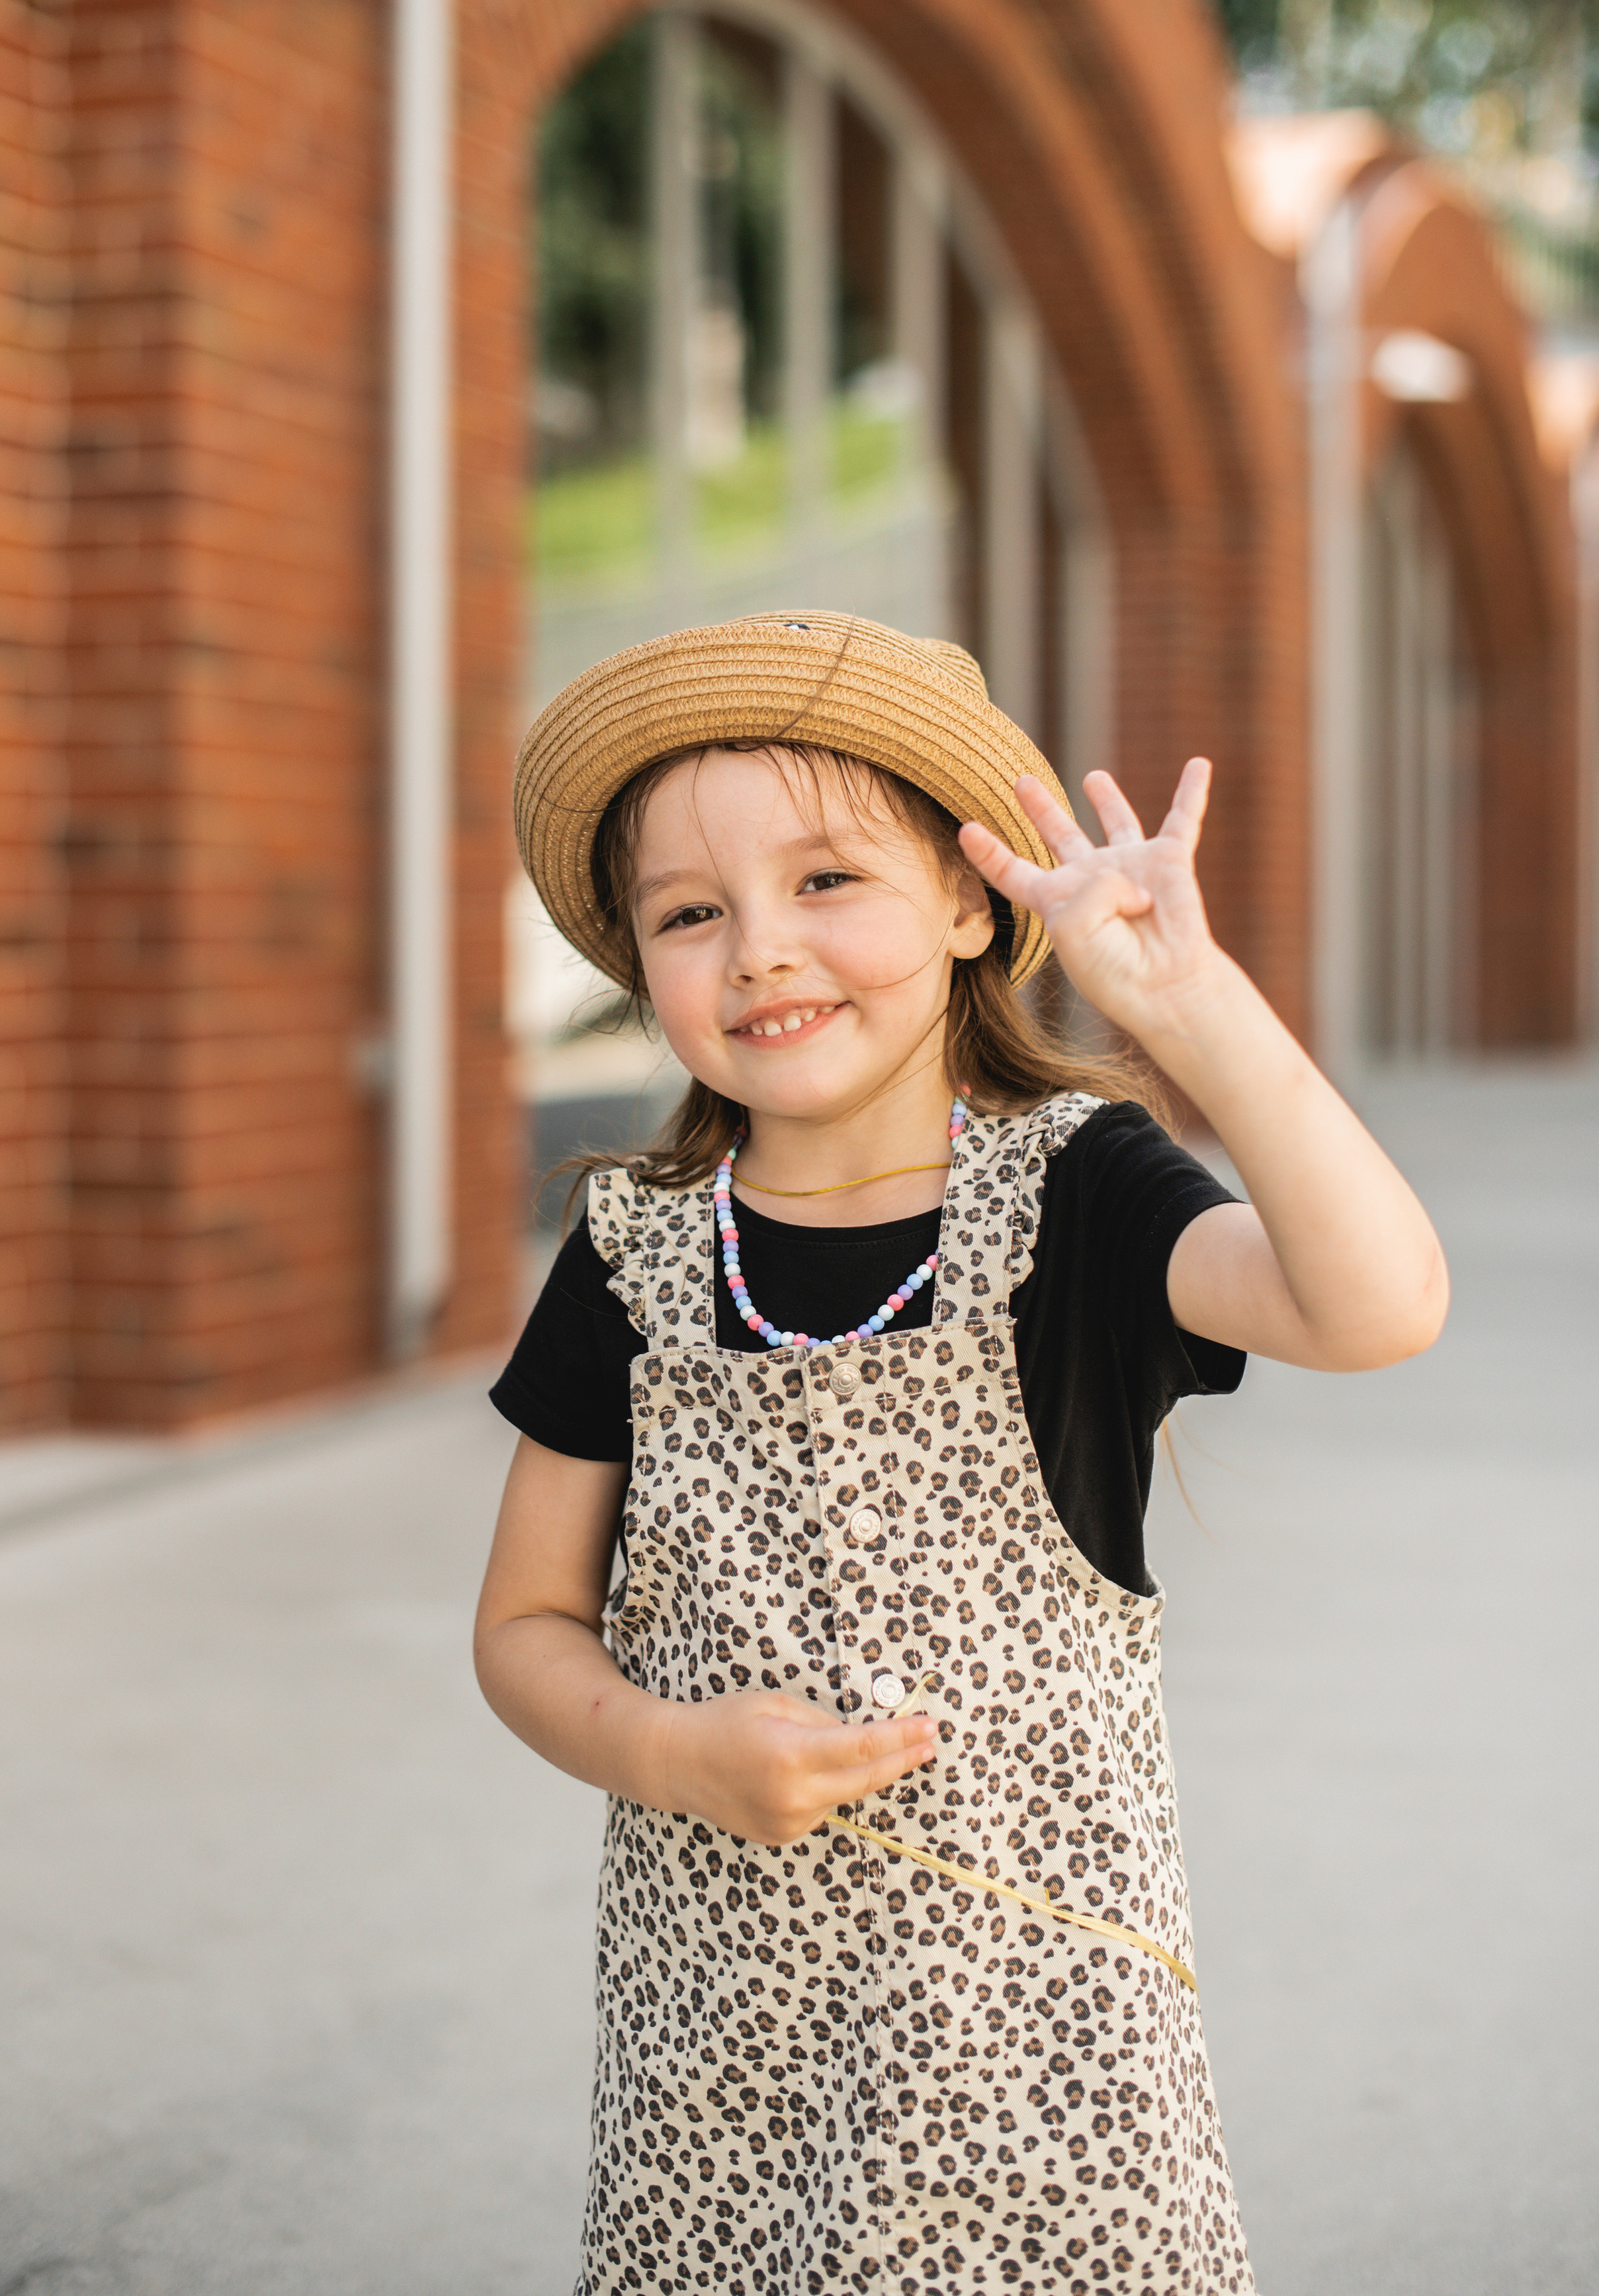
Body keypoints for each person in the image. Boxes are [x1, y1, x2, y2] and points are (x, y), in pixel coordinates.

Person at [476, 611, 1447, 2296]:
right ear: (646, 975)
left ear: (965, 899)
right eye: (691, 915)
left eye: (824, 881)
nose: (759, 949)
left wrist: (1190, 1003)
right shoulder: (630, 1252)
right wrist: (664, 1752)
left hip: (1036, 2055)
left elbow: (1375, 1307)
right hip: (719, 2041)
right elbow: (521, 1626)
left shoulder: (1079, 1193)